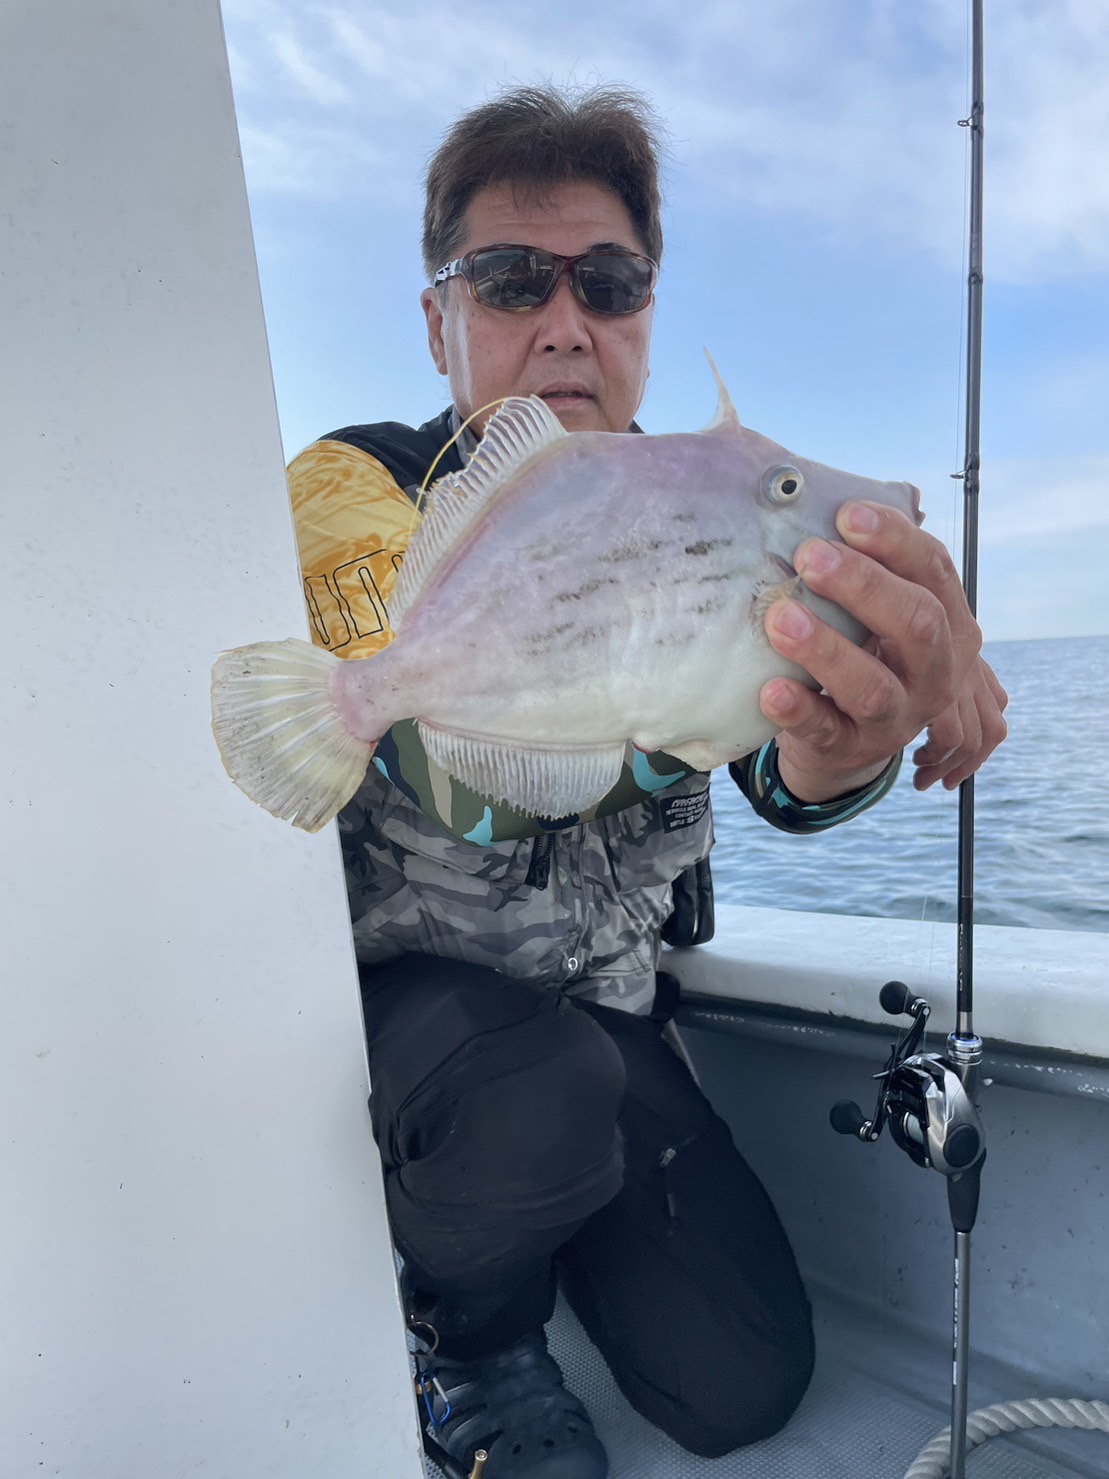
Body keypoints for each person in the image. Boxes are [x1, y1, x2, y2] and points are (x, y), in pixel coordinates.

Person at [293, 84, 1008, 1479]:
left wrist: (856, 729)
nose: (567, 323)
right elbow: (456, 775)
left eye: (609, 284)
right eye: (512, 279)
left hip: (607, 1017)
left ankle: (529, 1217)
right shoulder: (353, 489)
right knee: (528, 1092)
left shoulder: (704, 504)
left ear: (644, 314)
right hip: (422, 1034)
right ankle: (466, 1333)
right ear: (438, 319)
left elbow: (782, 775)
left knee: (741, 1383)